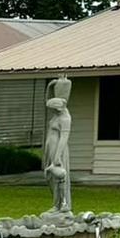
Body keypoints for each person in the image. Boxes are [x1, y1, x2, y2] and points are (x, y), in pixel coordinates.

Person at [42, 77, 73, 215]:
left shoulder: (65, 119)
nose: (51, 110)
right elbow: (46, 101)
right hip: (50, 148)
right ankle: (56, 204)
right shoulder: (56, 115)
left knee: (59, 178)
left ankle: (63, 204)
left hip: (58, 151)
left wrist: (57, 156)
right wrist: (50, 86)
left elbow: (63, 139)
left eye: (53, 108)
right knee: (49, 177)